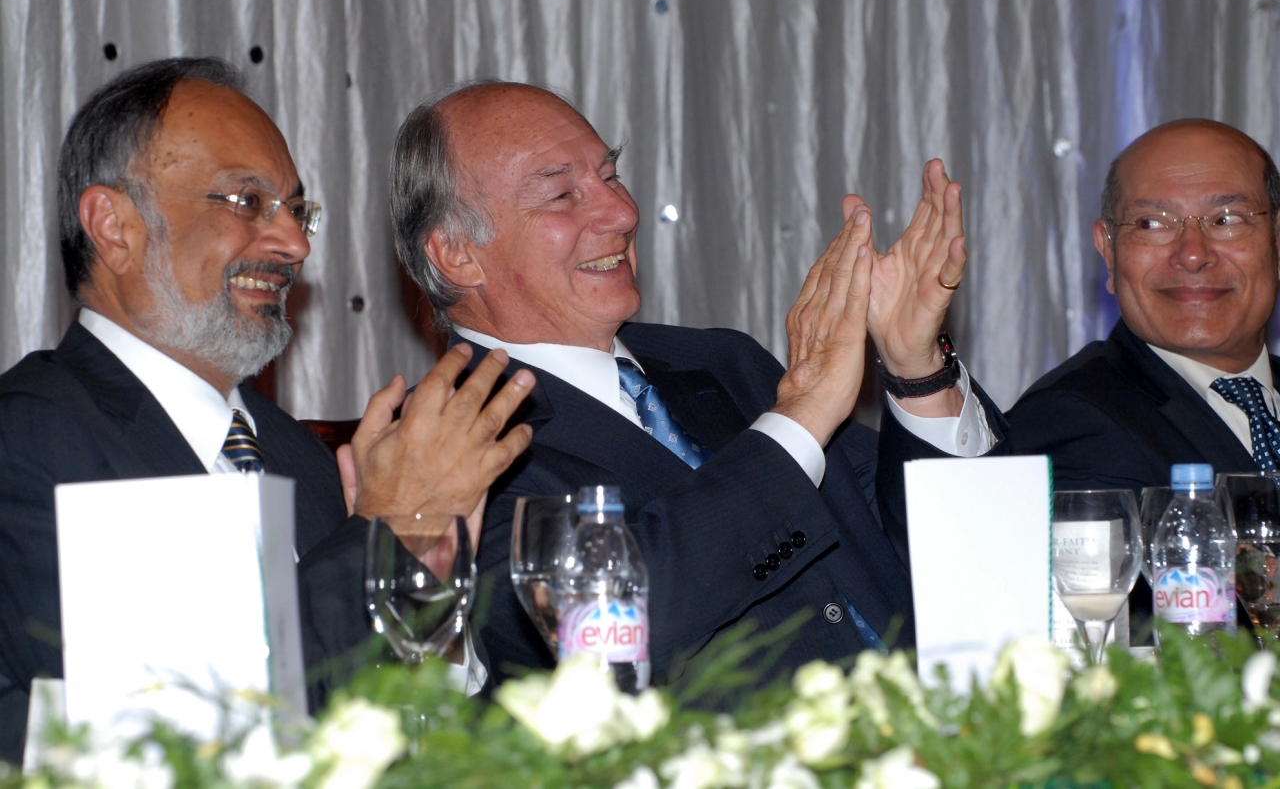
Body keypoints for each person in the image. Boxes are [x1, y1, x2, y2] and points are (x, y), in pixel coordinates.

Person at [0, 58, 537, 764]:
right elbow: (156, 746)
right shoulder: (31, 438)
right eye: (247, 202)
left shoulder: (294, 456)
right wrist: (384, 539)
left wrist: (425, 604)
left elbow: (373, 720)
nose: (295, 243)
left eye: (296, 209)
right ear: (114, 225)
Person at [389, 81, 1008, 686]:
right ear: (456, 253)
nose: (623, 212)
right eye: (561, 195)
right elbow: (604, 639)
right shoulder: (443, 445)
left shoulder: (720, 360)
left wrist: (916, 367)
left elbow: (966, 550)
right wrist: (798, 421)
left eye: (610, 176)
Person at [1008, 119, 1280, 490]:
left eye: (1226, 220)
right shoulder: (1070, 422)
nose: (1193, 255)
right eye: (1152, 223)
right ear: (1109, 252)